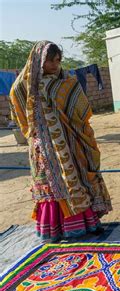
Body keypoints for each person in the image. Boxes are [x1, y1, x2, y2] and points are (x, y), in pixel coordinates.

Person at [9, 41, 112, 241]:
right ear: (40, 61)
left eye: (58, 61)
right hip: (44, 146)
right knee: (52, 183)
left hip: (69, 140)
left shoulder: (65, 80)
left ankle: (87, 223)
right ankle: (55, 228)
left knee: (77, 177)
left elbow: (79, 105)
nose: (56, 65)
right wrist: (34, 131)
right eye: (51, 61)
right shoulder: (24, 86)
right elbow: (18, 104)